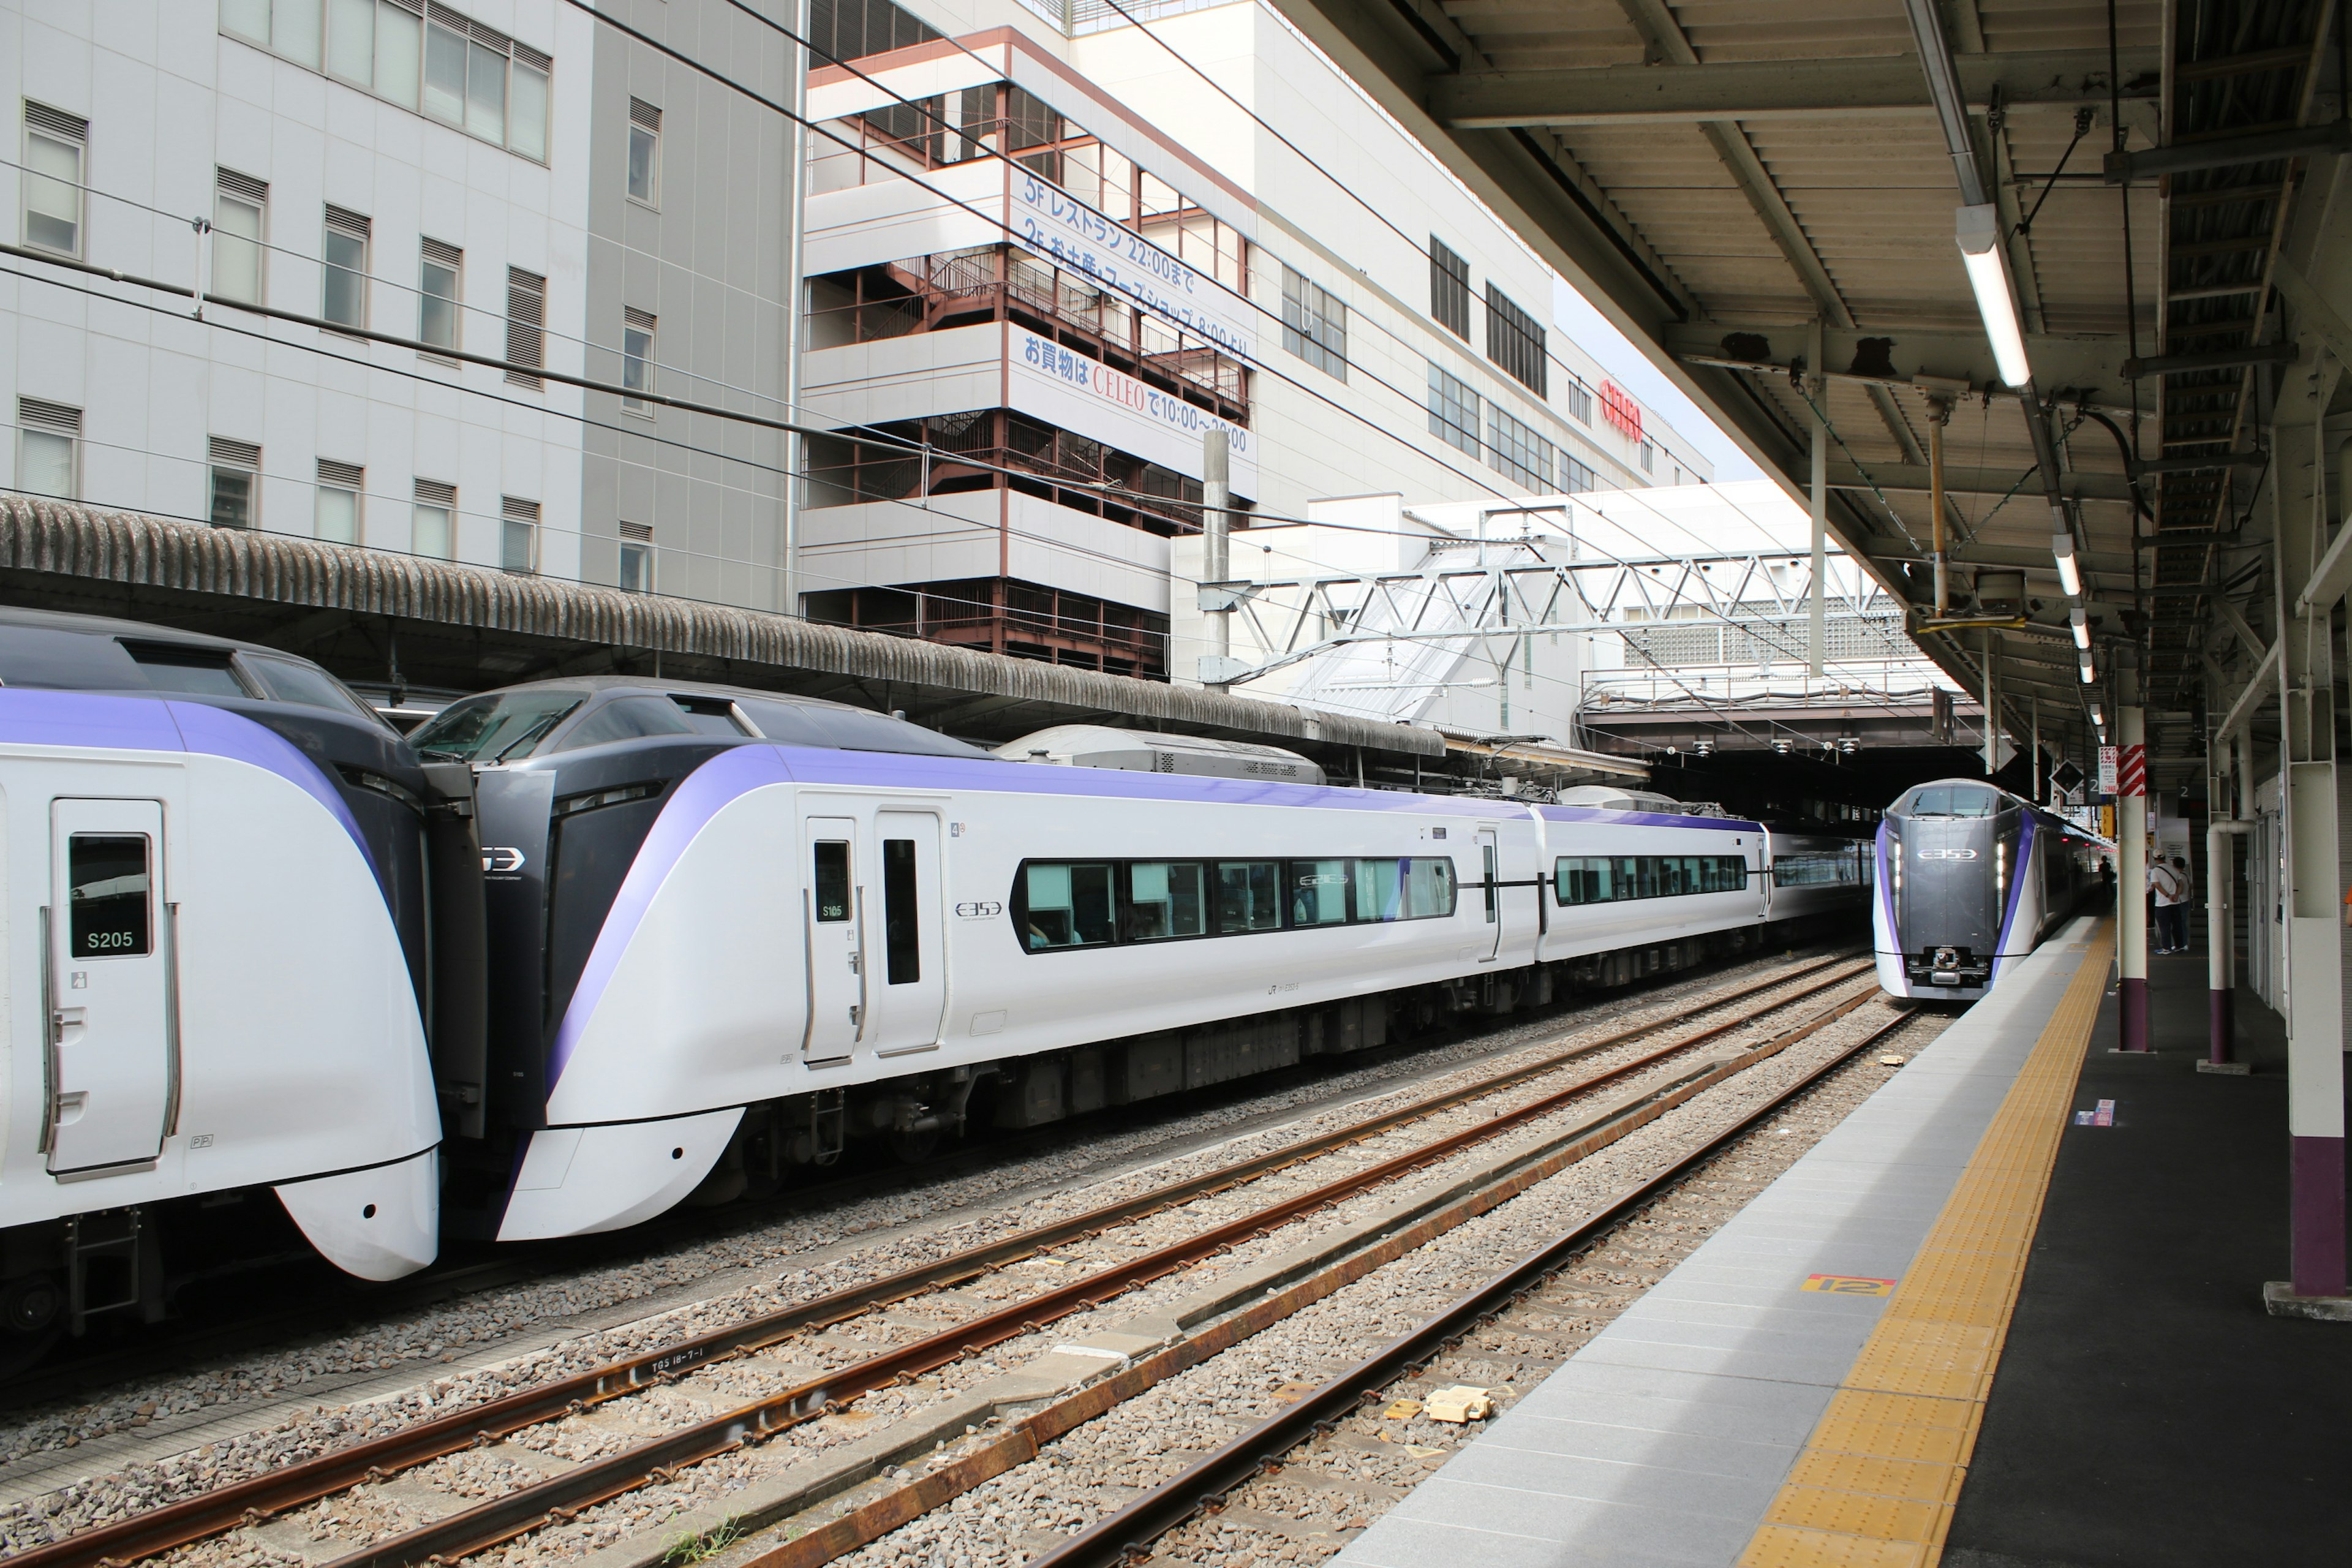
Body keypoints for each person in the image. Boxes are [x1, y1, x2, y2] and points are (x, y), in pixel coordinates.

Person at [2149, 854, 2190, 954]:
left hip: (2163, 903)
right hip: (2176, 903)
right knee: (2177, 925)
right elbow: (2181, 884)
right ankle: (2179, 946)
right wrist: (2176, 895)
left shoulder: (2155, 871)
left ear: (2155, 859)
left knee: (2164, 926)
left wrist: (2168, 896)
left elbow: (2157, 885)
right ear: (2164, 858)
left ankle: (2166, 948)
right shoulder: (2174, 869)